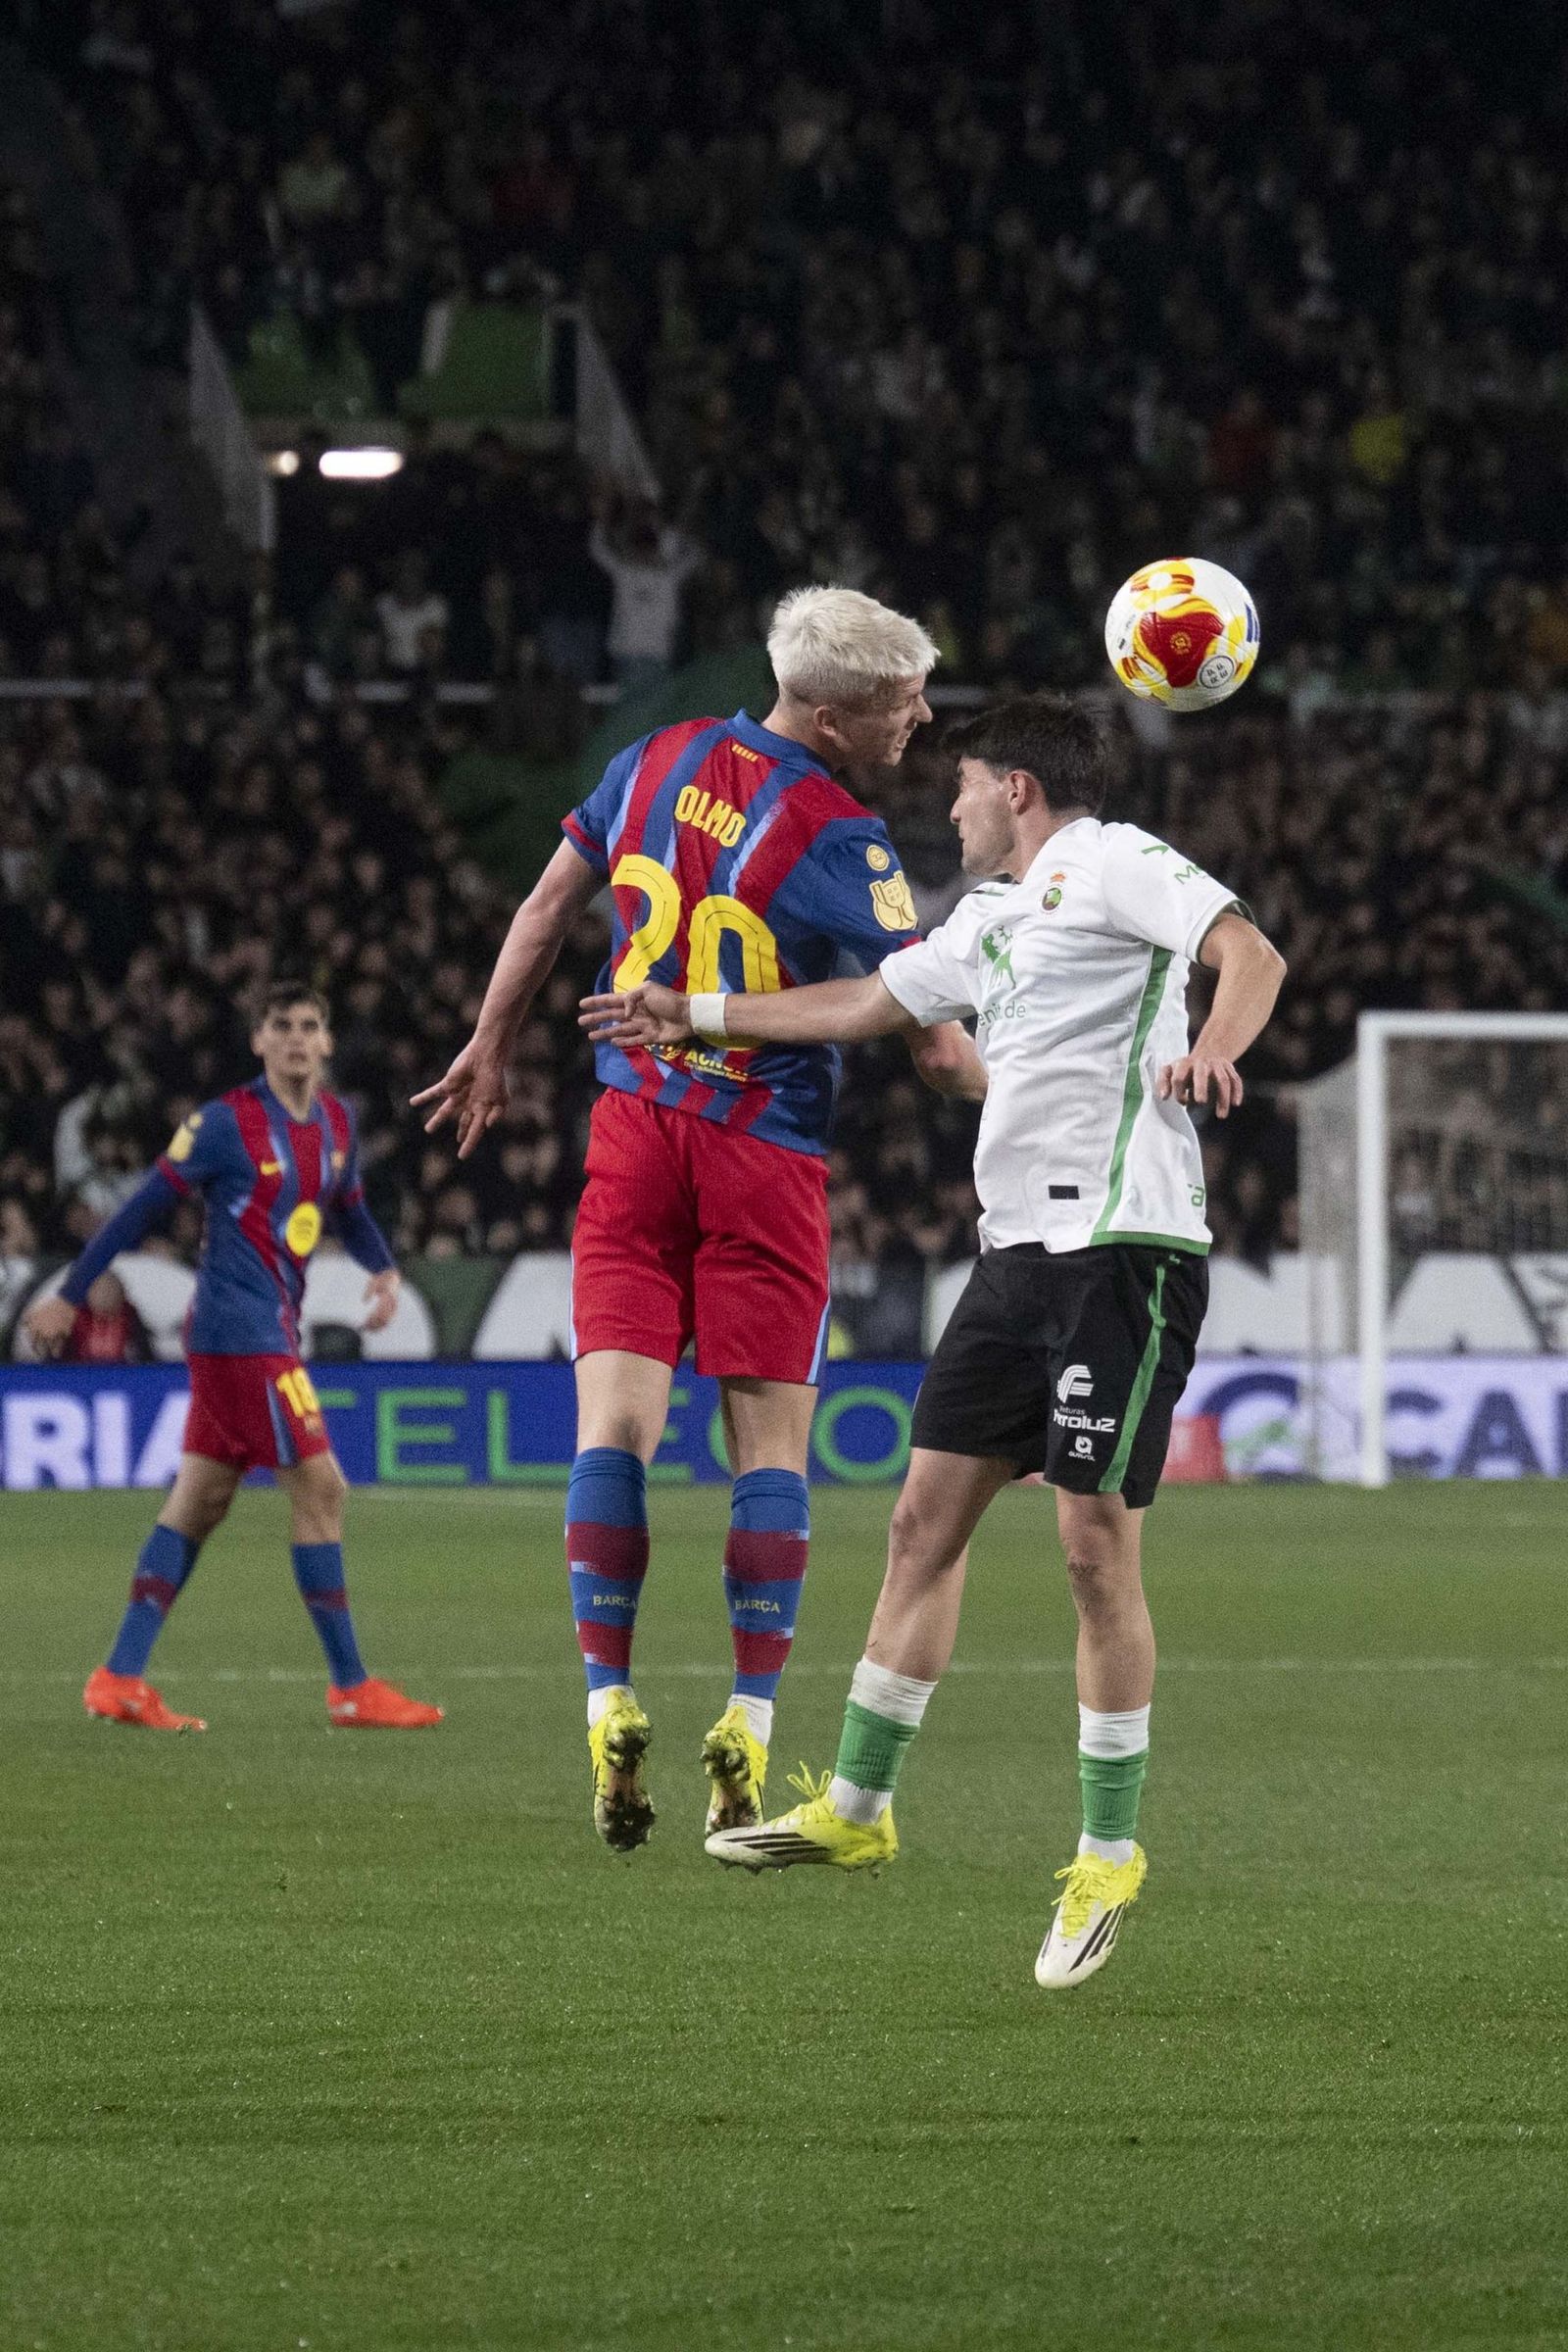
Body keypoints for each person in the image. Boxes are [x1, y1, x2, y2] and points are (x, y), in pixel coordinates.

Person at [581, 693, 1286, 1985]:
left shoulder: (1110, 858)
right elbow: (861, 1004)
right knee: (920, 1526)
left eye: (961, 787)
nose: (945, 808)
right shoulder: (989, 923)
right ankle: (858, 1807)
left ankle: (1108, 1850)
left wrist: (1214, 1055)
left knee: (1090, 1547)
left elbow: (1249, 954)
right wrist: (699, 1013)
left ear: (1016, 788)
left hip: (1122, 1254)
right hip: (1014, 1260)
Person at [415, 586, 977, 1851]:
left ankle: (608, 1694)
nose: (921, 720)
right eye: (901, 703)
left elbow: (547, 907)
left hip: (631, 1134)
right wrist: (1044, 1087)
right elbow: (934, 1048)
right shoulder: (845, 838)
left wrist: (488, 1047)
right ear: (831, 716)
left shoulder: (653, 757)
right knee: (769, 1446)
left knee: (613, 1422)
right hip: (761, 1155)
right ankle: (753, 1713)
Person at [24, 985, 443, 1736]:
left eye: (308, 1026)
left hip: (260, 1330)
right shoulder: (226, 1124)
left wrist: (383, 1269)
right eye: (279, 1026)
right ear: (258, 1041)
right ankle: (351, 1687)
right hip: (238, 1331)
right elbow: (140, 1206)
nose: (293, 1038)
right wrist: (71, 1293)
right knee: (322, 1488)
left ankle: (118, 1676)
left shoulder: (338, 1124)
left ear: (325, 1042)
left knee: (200, 1500)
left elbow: (348, 1206)